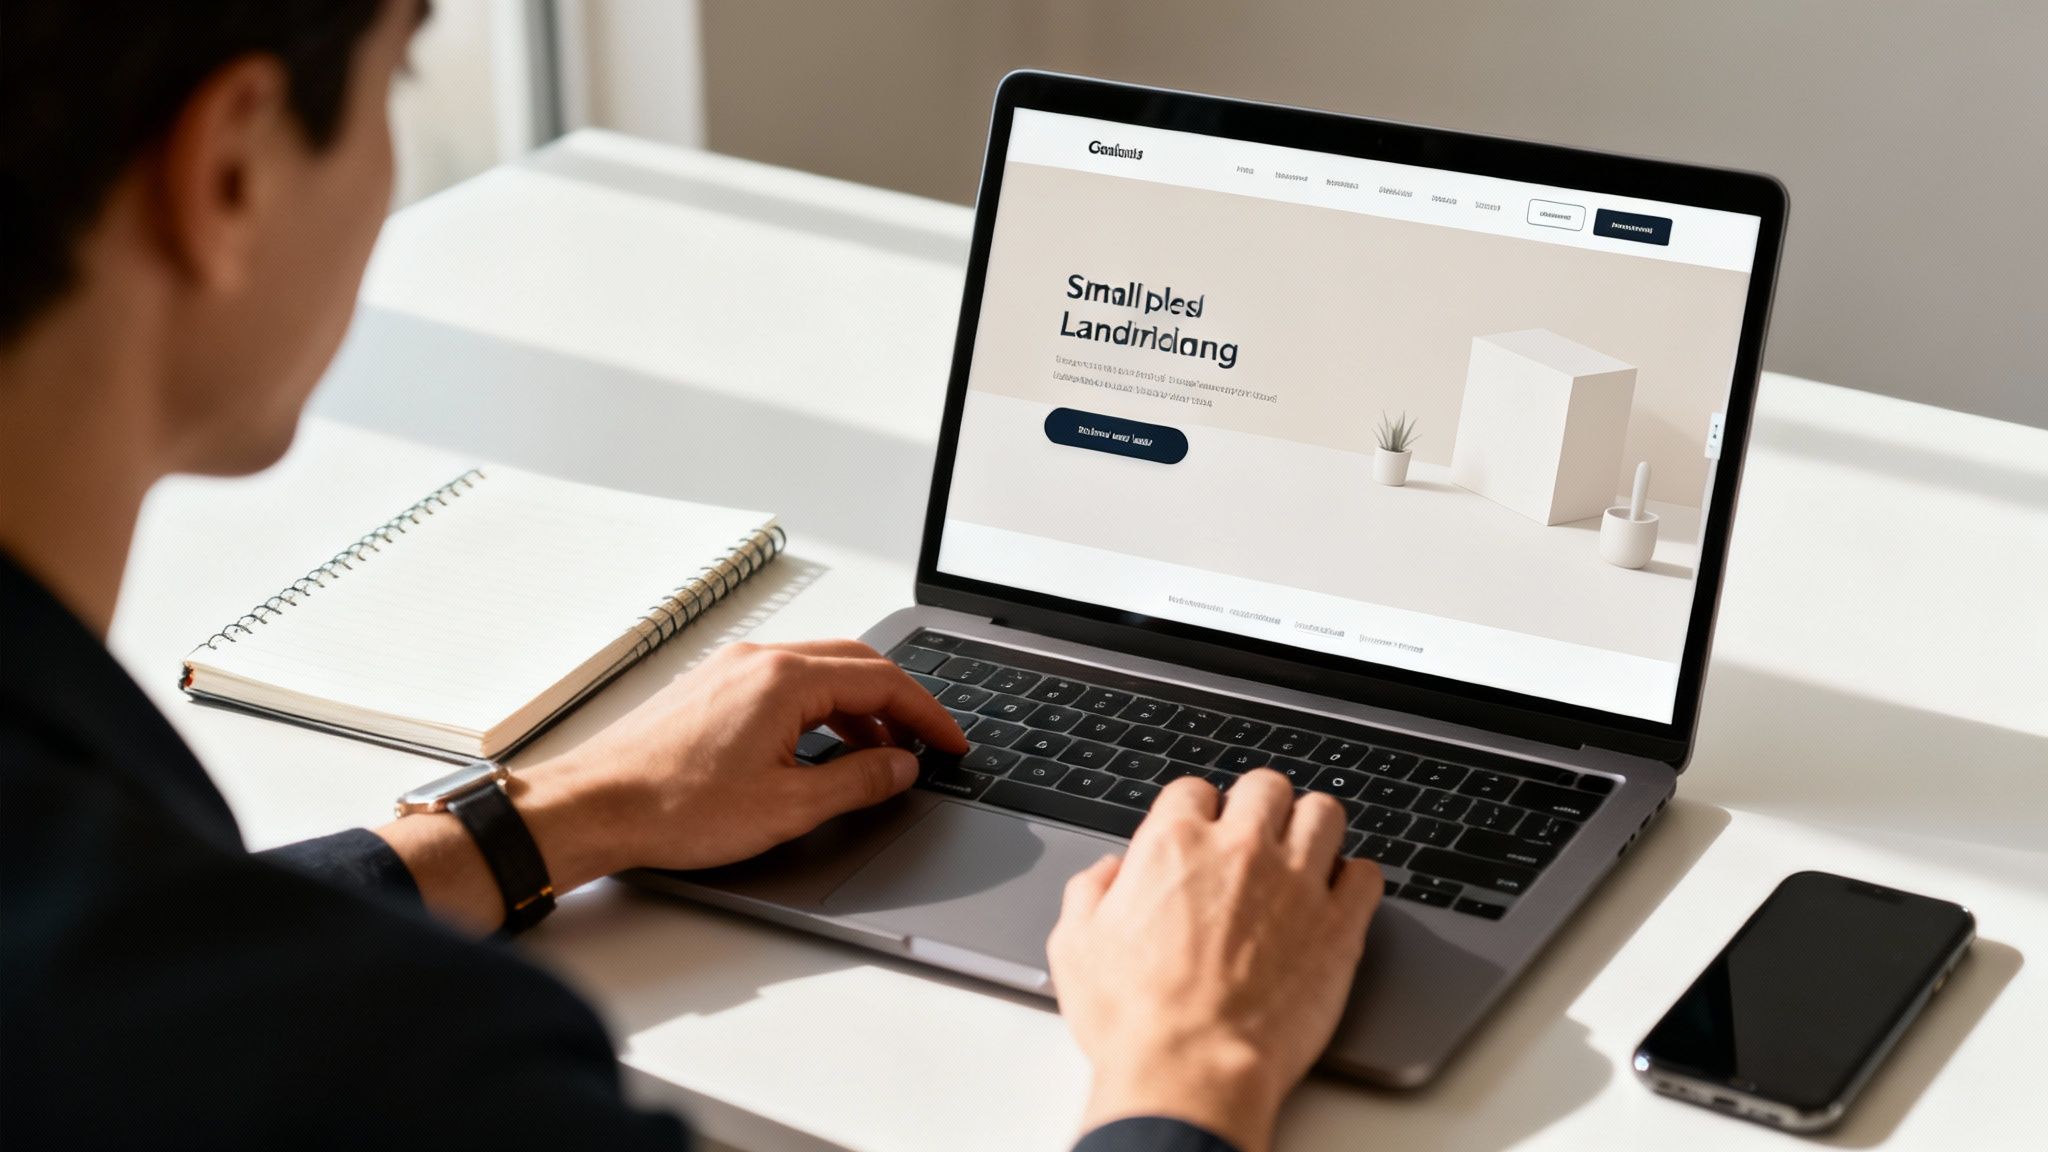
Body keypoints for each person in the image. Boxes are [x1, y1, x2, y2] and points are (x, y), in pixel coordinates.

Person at [0, 4, 1383, 1150]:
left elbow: (168, 966)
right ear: (230, 168)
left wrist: (547, 818)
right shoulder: (416, 1074)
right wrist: (1189, 1070)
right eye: (398, 74)